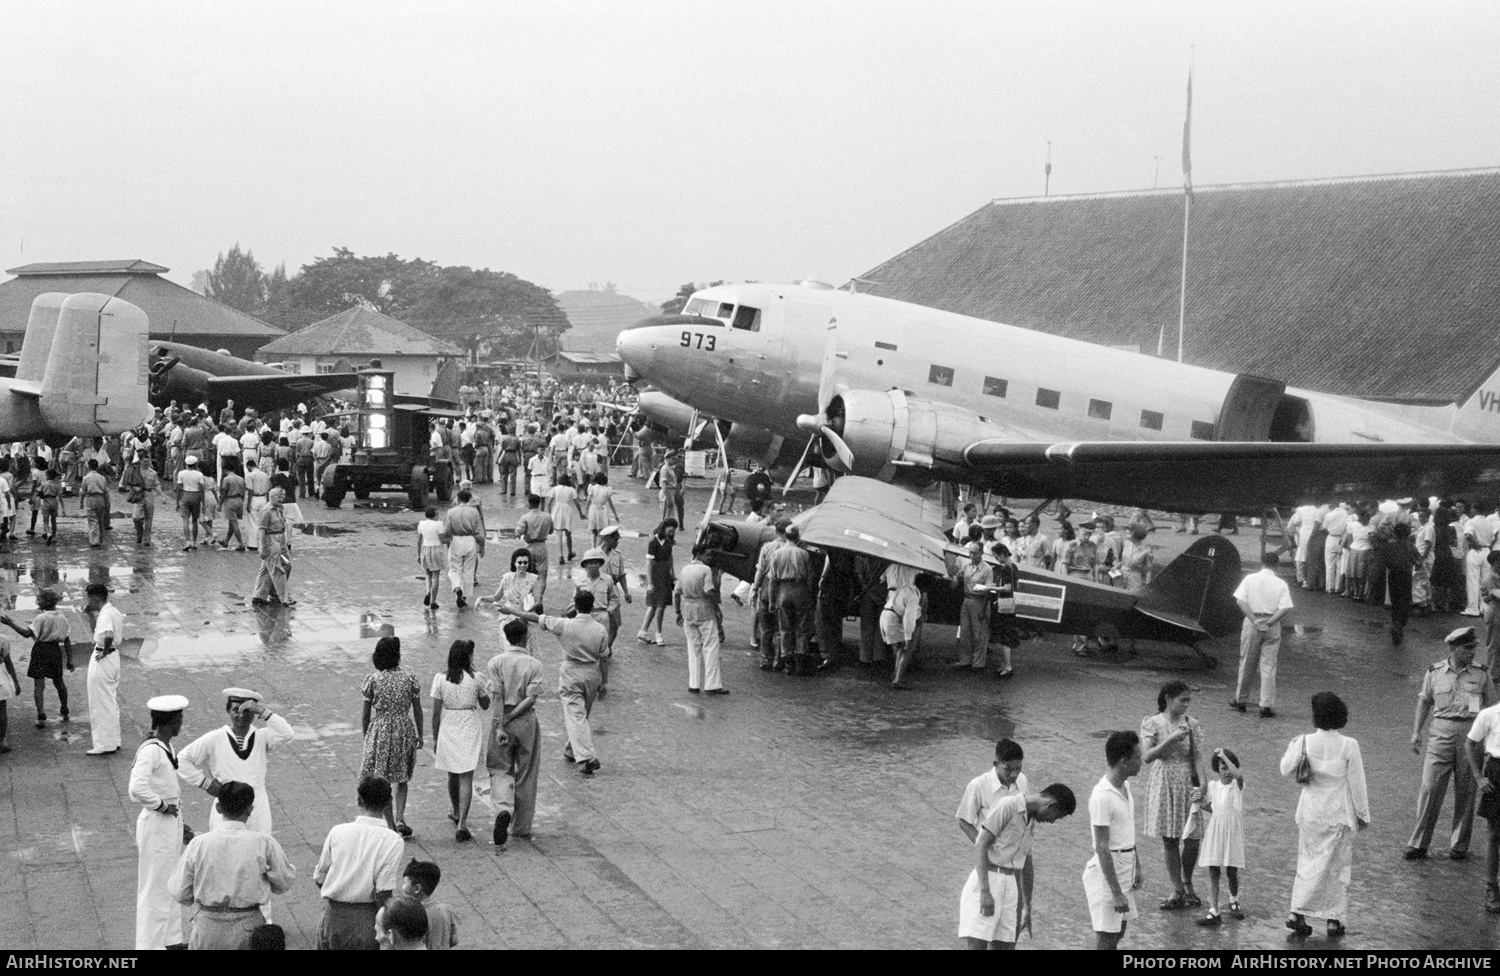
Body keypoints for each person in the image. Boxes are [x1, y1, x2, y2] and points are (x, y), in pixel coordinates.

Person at [1280, 692, 1370, 939]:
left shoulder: (1304, 742)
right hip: (1337, 812)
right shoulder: (1349, 745)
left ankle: (1297, 912)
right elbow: (1357, 782)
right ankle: (1333, 918)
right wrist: (1362, 814)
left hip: (1310, 810)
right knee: (1337, 866)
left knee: (1307, 862)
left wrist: (1295, 743)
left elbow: (1284, 768)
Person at [168, 781, 297, 950]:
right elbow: (284, 882)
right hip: (248, 929)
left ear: (218, 808)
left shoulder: (198, 844)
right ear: (250, 809)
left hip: (207, 929)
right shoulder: (264, 843)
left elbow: (179, 891)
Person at [1405, 627, 1496, 862]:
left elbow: (1494, 709)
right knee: (1430, 787)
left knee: (1466, 790)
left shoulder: (1481, 673)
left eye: (1474, 648)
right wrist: (1416, 732)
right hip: (1441, 732)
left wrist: (1491, 741)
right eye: (1467, 648)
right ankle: (1419, 843)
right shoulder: (1434, 672)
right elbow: (1424, 701)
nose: (1472, 652)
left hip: (1471, 734)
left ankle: (1459, 845)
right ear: (1453, 649)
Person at [501, 592, 608, 777]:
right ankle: (571, 749)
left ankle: (588, 756)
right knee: (582, 714)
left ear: (575, 605)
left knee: (576, 715)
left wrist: (511, 610)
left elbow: (535, 618)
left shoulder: (564, 625)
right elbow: (605, 657)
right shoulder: (600, 629)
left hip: (571, 672)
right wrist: (604, 682)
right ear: (592, 605)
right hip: (592, 673)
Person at [958, 783, 1076, 949]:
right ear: (1051, 805)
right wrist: (985, 891)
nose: (1051, 821)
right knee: (978, 945)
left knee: (1005, 946)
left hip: (1010, 884)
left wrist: (1027, 906)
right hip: (988, 879)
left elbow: (1026, 862)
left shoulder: (1030, 820)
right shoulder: (1007, 806)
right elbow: (981, 844)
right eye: (1056, 816)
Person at [177, 687, 295, 836]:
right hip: (226, 803)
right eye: (236, 710)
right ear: (228, 711)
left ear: (254, 713)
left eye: (247, 711)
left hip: (255, 805)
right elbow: (181, 760)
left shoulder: (262, 737)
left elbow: (287, 733)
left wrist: (262, 711)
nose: (241, 715)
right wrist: (205, 783)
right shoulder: (215, 738)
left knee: (257, 849)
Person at [314, 776, 406, 950]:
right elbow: (383, 892)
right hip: (367, 920)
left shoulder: (338, 832)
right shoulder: (392, 840)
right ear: (389, 802)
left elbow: (320, 877)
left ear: (359, 801)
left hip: (332, 915)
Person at [129, 694, 190, 949]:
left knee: (170, 882)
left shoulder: (165, 746)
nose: (181, 723)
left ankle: (171, 938)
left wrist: (180, 825)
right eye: (179, 719)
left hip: (168, 824)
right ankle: (150, 945)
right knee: (154, 889)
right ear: (170, 722)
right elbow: (136, 787)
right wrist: (163, 806)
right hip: (157, 824)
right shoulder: (152, 750)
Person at [1140, 680, 1204, 911]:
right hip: (1165, 778)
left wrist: (1203, 784)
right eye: (1182, 700)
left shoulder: (1192, 724)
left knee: (1192, 838)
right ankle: (1177, 887)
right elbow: (1147, 756)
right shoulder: (1152, 723)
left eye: (1188, 700)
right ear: (1168, 698)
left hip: (1186, 780)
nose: (1186, 704)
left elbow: (1197, 755)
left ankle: (1187, 879)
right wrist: (1171, 738)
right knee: (1170, 838)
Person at [483, 618, 544, 847]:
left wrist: (500, 723)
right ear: (525, 637)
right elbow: (531, 698)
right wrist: (515, 714)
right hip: (526, 721)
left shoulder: (495, 662)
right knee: (527, 771)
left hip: (502, 718)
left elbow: (496, 697)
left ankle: (502, 808)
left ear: (507, 637)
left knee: (500, 768)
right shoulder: (535, 664)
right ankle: (521, 826)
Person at [1084, 731, 1144, 951]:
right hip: (1109, 872)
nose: (1141, 762)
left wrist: (1137, 863)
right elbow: (1101, 846)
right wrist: (1116, 891)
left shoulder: (1125, 787)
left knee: (1119, 931)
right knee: (1107, 936)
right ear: (1123, 761)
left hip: (1126, 864)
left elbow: (1127, 829)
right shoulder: (1102, 796)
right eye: (1137, 757)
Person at [360, 637, 424, 837]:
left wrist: (367, 737)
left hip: (380, 729)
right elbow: (418, 709)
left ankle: (390, 825)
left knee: (383, 778)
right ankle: (400, 817)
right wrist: (420, 733)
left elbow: (365, 714)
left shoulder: (373, 679)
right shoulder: (409, 678)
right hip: (403, 728)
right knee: (402, 776)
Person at [430, 639, 490, 843]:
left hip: (449, 725)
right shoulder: (476, 678)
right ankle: (462, 823)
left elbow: (436, 713)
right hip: (468, 724)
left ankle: (455, 810)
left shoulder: (440, 679)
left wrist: (435, 738)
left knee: (452, 774)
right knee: (466, 777)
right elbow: (485, 704)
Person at [1229, 551, 1294, 718]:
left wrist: (1255, 620)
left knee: (1247, 662)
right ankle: (1265, 705)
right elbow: (1285, 607)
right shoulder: (1281, 584)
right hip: (1272, 624)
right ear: (1276, 565)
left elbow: (1241, 601)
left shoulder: (1250, 579)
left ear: (1262, 563)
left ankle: (1240, 700)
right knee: (1269, 665)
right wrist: (1270, 622)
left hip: (1253, 621)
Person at [1, 589, 71, 731]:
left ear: (46, 601)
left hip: (40, 650)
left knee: (39, 684)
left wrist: (10, 623)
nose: (37, 601)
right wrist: (70, 659)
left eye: (39, 599)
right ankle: (64, 710)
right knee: (59, 681)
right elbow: (67, 640)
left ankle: (41, 715)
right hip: (55, 650)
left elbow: (27, 634)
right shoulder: (62, 617)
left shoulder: (41, 618)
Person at [1194, 748, 1247, 927]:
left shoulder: (1237, 785)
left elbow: (1238, 775)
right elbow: (1212, 807)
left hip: (1232, 832)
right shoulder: (1212, 787)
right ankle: (1214, 910)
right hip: (1216, 831)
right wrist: (1198, 802)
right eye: (1222, 768)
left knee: (1232, 870)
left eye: (1229, 767)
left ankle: (1234, 900)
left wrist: (1223, 755)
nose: (1227, 772)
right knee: (1213, 870)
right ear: (1217, 770)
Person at [957, 738, 1030, 845]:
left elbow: (1027, 819)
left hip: (1016, 855)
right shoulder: (978, 785)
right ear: (995, 764)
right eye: (1008, 769)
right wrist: (985, 849)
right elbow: (964, 822)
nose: (1014, 774)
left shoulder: (1023, 781)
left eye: (1018, 769)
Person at [676, 543, 727, 695]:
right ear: (700, 554)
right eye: (707, 554)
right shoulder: (705, 570)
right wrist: (717, 610)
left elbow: (677, 593)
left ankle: (694, 684)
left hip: (688, 610)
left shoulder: (684, 569)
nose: (709, 557)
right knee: (711, 647)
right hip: (705, 610)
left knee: (693, 648)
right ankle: (712, 685)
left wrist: (678, 611)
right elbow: (709, 591)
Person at [1466, 692, 1500, 912]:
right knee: (1494, 834)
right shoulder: (1489, 715)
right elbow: (1470, 744)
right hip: (1497, 772)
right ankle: (1492, 887)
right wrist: (1479, 777)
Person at [769, 524, 816, 675]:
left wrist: (771, 600)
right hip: (800, 589)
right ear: (797, 537)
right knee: (802, 628)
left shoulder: (776, 554)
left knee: (785, 629)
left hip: (783, 590)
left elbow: (772, 580)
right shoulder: (804, 554)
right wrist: (809, 595)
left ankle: (787, 662)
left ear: (785, 536)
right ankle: (800, 664)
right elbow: (810, 578)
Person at [84, 582, 124, 755]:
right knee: (109, 700)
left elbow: (108, 634)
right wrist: (90, 615)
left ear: (95, 597)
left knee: (99, 702)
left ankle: (103, 744)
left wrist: (105, 650)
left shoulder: (106, 614)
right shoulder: (111, 611)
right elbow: (98, 632)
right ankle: (113, 740)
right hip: (113, 658)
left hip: (104, 657)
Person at [491, 548, 542, 655]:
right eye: (520, 562)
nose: (523, 565)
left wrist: (527, 611)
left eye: (525, 562)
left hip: (526, 619)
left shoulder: (534, 579)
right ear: (514, 563)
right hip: (508, 620)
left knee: (527, 653)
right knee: (509, 651)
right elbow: (496, 597)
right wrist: (481, 599)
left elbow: (538, 602)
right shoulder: (506, 578)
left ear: (529, 564)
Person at [952, 542, 993, 670]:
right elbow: (959, 575)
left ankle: (978, 663)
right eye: (970, 552)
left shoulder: (987, 569)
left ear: (981, 553)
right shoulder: (967, 566)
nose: (971, 555)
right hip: (967, 600)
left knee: (979, 634)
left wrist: (983, 608)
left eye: (974, 553)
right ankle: (965, 660)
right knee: (965, 632)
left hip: (979, 601)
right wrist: (954, 578)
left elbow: (989, 590)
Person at [882, 562, 923, 689]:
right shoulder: (911, 593)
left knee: (898, 648)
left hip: (888, 609)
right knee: (906, 647)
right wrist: (908, 635)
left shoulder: (890, 567)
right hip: (896, 611)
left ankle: (896, 674)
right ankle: (897, 679)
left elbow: (882, 578)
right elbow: (909, 618)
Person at [442, 491, 485, 610]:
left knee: (454, 568)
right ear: (470, 499)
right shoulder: (474, 512)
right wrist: (482, 545)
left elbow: (446, 531)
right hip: (470, 540)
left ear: (458, 498)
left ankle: (456, 587)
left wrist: (448, 540)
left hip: (456, 540)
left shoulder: (451, 512)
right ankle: (464, 597)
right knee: (469, 569)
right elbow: (479, 530)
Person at [401, 860, 457, 950]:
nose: (402, 887)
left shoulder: (413, 914)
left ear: (417, 889)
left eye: (405, 883)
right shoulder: (446, 909)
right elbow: (454, 940)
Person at [251, 487, 293, 606]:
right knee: (277, 570)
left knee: (283, 566)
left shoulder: (280, 509)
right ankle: (283, 598)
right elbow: (262, 531)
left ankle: (259, 595)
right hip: (271, 540)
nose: (282, 499)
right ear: (272, 497)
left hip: (280, 539)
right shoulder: (266, 511)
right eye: (279, 497)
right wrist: (263, 548)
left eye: (283, 496)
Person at [639, 519, 678, 646]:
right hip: (656, 576)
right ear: (664, 528)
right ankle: (658, 633)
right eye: (670, 530)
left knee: (655, 605)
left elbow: (670, 557)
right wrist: (650, 582)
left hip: (665, 575)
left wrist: (673, 573)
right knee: (658, 605)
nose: (671, 533)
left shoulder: (669, 541)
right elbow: (649, 563)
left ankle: (643, 631)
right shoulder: (653, 542)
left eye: (673, 531)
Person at [516, 494, 555, 605]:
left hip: (529, 547)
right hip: (542, 546)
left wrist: (520, 534)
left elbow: (518, 533)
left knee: (528, 575)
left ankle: (529, 600)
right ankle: (539, 599)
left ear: (529, 503)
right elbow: (551, 531)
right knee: (542, 576)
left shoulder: (525, 517)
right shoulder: (547, 516)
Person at [121, 453, 159, 546]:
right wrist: (133, 488)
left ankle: (147, 539)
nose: (147, 463)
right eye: (145, 461)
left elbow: (157, 484)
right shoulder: (135, 471)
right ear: (140, 461)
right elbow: (128, 482)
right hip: (138, 495)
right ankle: (139, 531)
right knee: (136, 517)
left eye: (148, 461)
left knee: (149, 518)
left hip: (149, 494)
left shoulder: (153, 473)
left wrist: (162, 495)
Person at [175, 455, 208, 550]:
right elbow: (201, 489)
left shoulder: (181, 473)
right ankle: (194, 542)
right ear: (195, 464)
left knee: (185, 520)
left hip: (185, 495)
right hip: (196, 496)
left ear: (186, 464)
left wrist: (177, 502)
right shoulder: (199, 474)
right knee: (195, 520)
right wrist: (203, 503)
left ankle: (187, 541)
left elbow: (179, 488)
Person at [417, 506, 446, 610]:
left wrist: (418, 554)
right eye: (437, 514)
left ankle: (428, 592)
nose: (438, 516)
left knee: (428, 574)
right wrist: (450, 539)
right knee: (436, 575)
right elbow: (443, 540)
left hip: (425, 549)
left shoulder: (421, 524)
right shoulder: (439, 525)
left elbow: (419, 540)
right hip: (436, 549)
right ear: (434, 515)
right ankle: (433, 601)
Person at [79, 458, 109, 548]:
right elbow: (106, 491)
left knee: (92, 520)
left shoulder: (86, 478)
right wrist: (107, 502)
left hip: (91, 498)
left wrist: (81, 502)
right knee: (101, 519)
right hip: (101, 498)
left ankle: (95, 540)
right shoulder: (102, 477)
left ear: (88, 466)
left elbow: (83, 491)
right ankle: (101, 538)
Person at [219, 465, 247, 551]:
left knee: (234, 523)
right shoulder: (241, 479)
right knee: (232, 523)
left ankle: (241, 543)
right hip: (239, 500)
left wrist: (220, 505)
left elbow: (224, 492)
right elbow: (244, 491)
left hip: (230, 500)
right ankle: (226, 541)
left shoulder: (226, 479)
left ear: (225, 470)